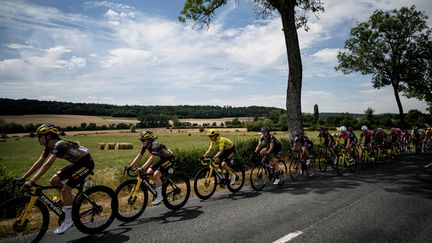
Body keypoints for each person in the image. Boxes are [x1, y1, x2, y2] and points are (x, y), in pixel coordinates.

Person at [20, 124, 94, 234]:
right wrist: (23, 177)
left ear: (48, 136)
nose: (38, 138)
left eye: (40, 136)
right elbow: (39, 162)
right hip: (77, 164)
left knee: (65, 189)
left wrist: (32, 180)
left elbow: (47, 164)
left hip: (86, 164)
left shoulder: (60, 145)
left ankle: (68, 221)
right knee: (54, 181)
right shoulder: (48, 147)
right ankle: (74, 200)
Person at [127, 130, 174, 205]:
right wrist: (130, 166)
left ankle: (160, 196)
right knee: (148, 173)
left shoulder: (155, 144)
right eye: (141, 140)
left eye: (143, 140)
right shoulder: (145, 145)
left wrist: (142, 167)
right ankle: (159, 188)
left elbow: (152, 157)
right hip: (162, 158)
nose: (141, 142)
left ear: (149, 140)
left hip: (169, 158)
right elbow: (139, 156)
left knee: (156, 175)